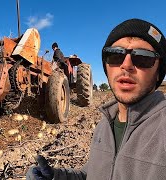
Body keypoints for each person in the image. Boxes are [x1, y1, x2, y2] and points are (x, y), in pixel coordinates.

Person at [26, 18, 166, 180]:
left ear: (158, 73)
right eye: (115, 55)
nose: (126, 65)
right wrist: (55, 177)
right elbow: (91, 174)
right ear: (106, 67)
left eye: (143, 57)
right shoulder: (104, 125)